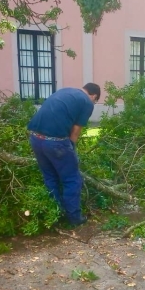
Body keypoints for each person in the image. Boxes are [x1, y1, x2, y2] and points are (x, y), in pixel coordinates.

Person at [27, 83, 101, 226]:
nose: (93, 103)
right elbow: (75, 131)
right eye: (95, 101)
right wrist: (71, 150)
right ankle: (74, 219)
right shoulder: (87, 102)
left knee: (50, 178)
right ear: (94, 96)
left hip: (35, 138)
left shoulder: (65, 90)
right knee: (72, 179)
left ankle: (55, 215)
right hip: (55, 142)